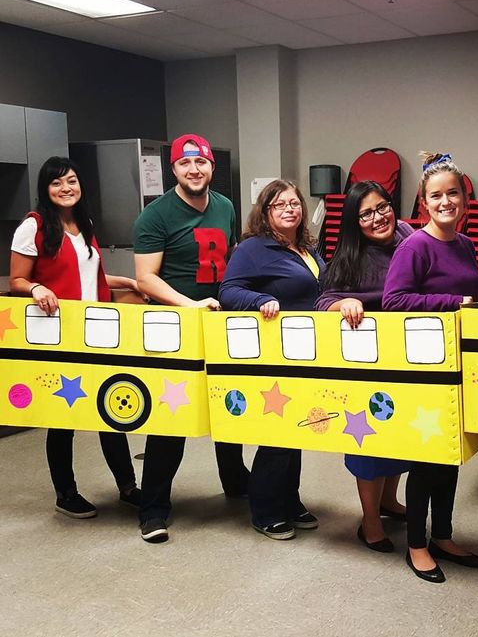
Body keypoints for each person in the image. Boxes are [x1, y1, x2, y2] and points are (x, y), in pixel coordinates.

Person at [133, 133, 250, 543]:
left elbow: (233, 255)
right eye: (185, 164)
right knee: (171, 417)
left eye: (200, 163)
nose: (194, 170)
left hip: (220, 324)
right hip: (177, 329)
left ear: (211, 167)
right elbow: (145, 277)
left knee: (229, 404)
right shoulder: (156, 215)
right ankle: (153, 507)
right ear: (174, 169)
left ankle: (235, 481)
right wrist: (190, 304)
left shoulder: (225, 206)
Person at [9, 156, 141, 518]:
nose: (65, 188)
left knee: (109, 409)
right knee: (63, 416)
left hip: (95, 332)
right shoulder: (33, 226)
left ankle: (128, 486)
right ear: (45, 189)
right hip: (60, 334)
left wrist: (126, 282)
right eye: (56, 183)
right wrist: (35, 288)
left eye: (71, 181)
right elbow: (17, 279)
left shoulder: (84, 224)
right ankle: (65, 493)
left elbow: (87, 277)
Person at [383, 153, 478, 583]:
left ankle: (442, 535)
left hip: (459, 367)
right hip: (424, 369)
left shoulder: (463, 243)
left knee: (449, 458)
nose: (446, 202)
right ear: (424, 203)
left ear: (465, 198)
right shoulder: (414, 245)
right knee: (427, 461)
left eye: (453, 194)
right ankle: (417, 544)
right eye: (436, 196)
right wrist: (453, 303)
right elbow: (394, 301)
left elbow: (472, 290)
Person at [219, 179, 324, 540]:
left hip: (307, 351)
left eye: (294, 203)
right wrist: (259, 301)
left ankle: (289, 499)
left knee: (297, 430)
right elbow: (229, 290)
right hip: (275, 352)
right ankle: (264, 509)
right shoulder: (253, 249)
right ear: (265, 212)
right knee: (277, 432)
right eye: (279, 205)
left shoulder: (306, 247)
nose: (289, 209)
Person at [315, 180, 412, 553]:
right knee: (370, 442)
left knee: (400, 437)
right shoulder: (348, 257)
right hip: (367, 366)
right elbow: (323, 301)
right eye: (366, 214)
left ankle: (389, 500)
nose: (378, 218)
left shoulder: (408, 238)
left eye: (383, 207)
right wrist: (344, 305)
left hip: (407, 360)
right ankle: (370, 521)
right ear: (355, 222)